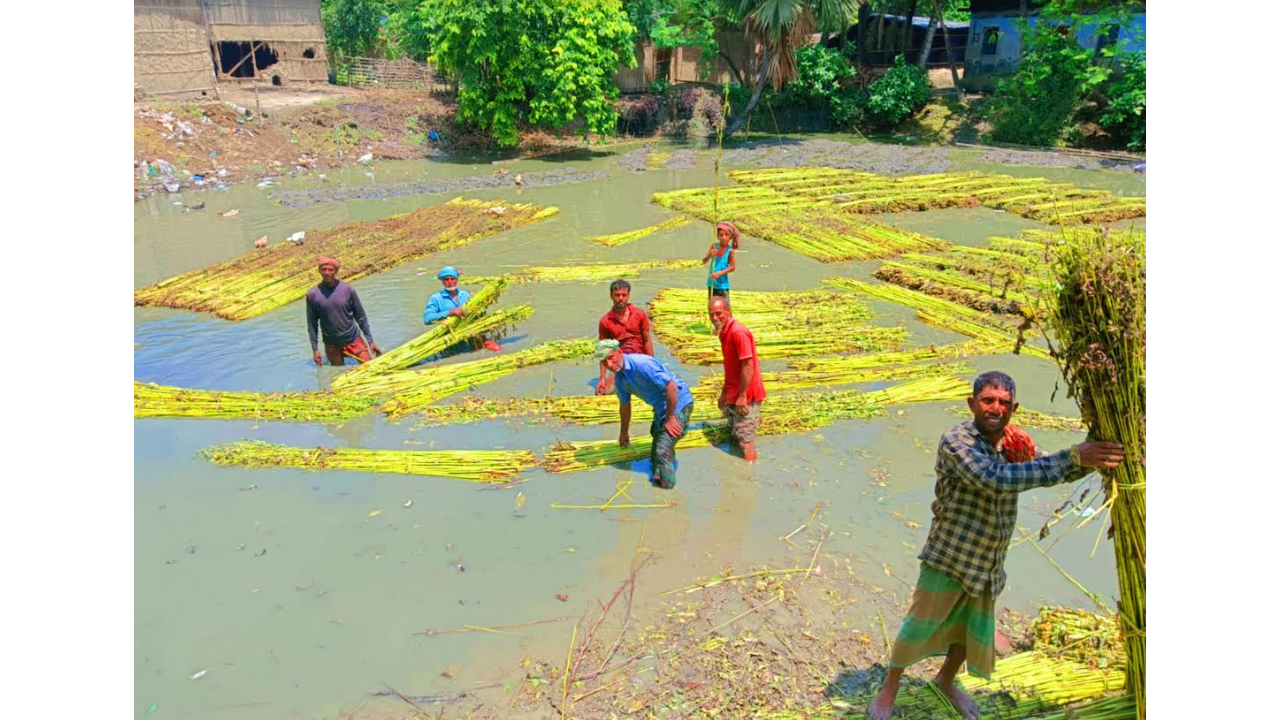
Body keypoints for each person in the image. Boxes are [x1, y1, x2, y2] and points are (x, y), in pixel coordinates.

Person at [867, 371, 1125, 720]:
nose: (995, 408)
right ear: (972, 403)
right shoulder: (957, 441)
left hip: (988, 559)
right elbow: (993, 478)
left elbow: (1050, 469)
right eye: (988, 400)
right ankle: (888, 691)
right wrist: (1075, 456)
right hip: (950, 556)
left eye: (1003, 403)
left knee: (969, 629)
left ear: (1013, 408)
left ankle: (945, 680)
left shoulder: (1014, 443)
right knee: (918, 626)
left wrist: (1096, 449)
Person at [596, 339, 695, 490]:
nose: (609, 364)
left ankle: (668, 492)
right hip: (661, 408)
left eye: (611, 358)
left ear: (620, 352)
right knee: (655, 443)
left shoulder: (642, 364)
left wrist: (670, 418)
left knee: (662, 448)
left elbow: (671, 386)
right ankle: (659, 478)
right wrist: (624, 433)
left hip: (680, 403)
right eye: (604, 362)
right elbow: (624, 406)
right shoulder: (621, 380)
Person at [708, 296, 766, 462]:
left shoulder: (738, 332)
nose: (714, 318)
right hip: (735, 390)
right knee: (735, 432)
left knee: (745, 441)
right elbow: (731, 367)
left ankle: (747, 476)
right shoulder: (724, 332)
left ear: (728, 311)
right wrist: (724, 393)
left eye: (718, 313)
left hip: (747, 394)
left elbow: (748, 366)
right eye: (711, 314)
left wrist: (742, 396)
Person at [305, 256, 383, 366]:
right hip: (331, 344)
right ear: (319, 271)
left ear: (336, 271)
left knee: (370, 367)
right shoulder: (312, 295)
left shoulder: (347, 289)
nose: (327, 272)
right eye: (324, 269)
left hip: (353, 340)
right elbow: (312, 325)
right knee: (338, 375)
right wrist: (315, 350)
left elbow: (361, 317)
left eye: (330, 269)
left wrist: (370, 341)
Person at [422, 266, 502, 352]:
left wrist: (484, 306)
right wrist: (450, 312)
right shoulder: (436, 298)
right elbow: (427, 318)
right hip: (451, 337)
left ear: (457, 280)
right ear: (442, 281)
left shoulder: (465, 294)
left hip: (471, 333)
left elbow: (478, 314)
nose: (450, 282)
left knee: (497, 349)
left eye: (452, 279)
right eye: (446, 279)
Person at [596, 279, 654, 396]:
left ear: (628, 296)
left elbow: (647, 341)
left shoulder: (639, 314)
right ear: (611, 296)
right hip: (621, 362)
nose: (621, 298)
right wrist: (602, 379)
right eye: (617, 295)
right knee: (603, 393)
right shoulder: (605, 321)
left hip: (640, 360)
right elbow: (603, 352)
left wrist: (652, 364)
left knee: (652, 388)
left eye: (624, 295)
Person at [702, 222, 737, 304]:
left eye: (726, 235)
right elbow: (704, 261)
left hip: (722, 286)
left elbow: (732, 267)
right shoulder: (714, 246)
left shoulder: (730, 250)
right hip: (712, 283)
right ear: (717, 236)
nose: (723, 237)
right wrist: (710, 255)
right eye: (721, 235)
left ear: (730, 237)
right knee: (712, 306)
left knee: (725, 307)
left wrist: (719, 273)